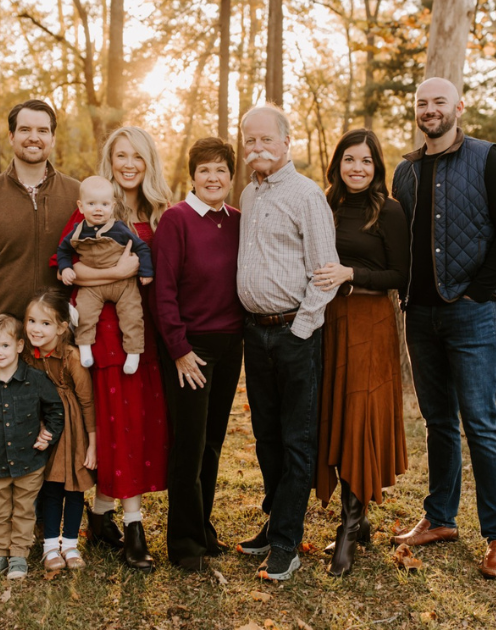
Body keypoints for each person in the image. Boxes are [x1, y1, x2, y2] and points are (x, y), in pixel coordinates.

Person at [389, 77, 496, 579]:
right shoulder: (405, 171)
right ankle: (441, 518)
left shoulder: (487, 158)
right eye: (422, 103)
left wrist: (479, 290)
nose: (430, 110)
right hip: (419, 315)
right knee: (438, 421)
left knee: (481, 422)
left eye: (439, 102)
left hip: (472, 314)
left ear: (458, 107)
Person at [234, 105, 339, 581]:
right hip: (254, 333)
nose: (256, 147)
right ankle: (274, 521)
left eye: (265, 139)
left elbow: (325, 272)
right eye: (249, 140)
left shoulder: (306, 195)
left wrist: (301, 330)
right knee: (266, 436)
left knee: (296, 439)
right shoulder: (248, 194)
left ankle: (286, 543)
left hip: (295, 332)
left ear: (286, 142)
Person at [62, 126, 172, 573]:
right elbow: (66, 266)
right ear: (110, 160)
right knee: (119, 426)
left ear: (149, 162)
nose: (129, 164)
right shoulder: (96, 208)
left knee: (134, 428)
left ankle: (101, 515)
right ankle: (134, 528)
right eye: (121, 155)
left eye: (137, 156)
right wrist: (121, 271)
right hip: (105, 336)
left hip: (146, 336)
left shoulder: (161, 211)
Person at [311, 129, 410, 577]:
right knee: (335, 413)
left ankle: (349, 527)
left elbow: (401, 274)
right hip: (329, 320)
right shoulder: (324, 206)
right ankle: (360, 518)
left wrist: (352, 273)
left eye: (366, 161)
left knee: (360, 415)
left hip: (370, 322)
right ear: (337, 164)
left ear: (377, 167)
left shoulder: (388, 210)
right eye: (350, 159)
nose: (357, 168)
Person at [152, 137, 245, 573]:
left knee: (212, 442)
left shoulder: (238, 221)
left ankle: (203, 527)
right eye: (204, 169)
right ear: (193, 176)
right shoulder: (176, 220)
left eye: (221, 169)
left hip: (231, 345)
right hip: (192, 348)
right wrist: (180, 349)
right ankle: (184, 542)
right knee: (189, 444)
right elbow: (163, 291)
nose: (213, 177)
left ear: (231, 176)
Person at [0, 99, 80, 391]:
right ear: (12, 136)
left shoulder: (78, 195)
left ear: (52, 138)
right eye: (25, 129)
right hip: (6, 344)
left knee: (66, 419)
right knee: (5, 420)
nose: (33, 137)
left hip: (63, 345)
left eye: (42, 130)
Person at [0, 314, 65, 580]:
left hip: (29, 462)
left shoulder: (35, 380)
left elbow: (56, 410)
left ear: (20, 346)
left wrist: (48, 435)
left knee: (23, 510)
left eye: (4, 345)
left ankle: (19, 555)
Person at [22, 289, 97, 572]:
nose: (36, 329)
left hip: (73, 430)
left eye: (45, 323)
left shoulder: (71, 357)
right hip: (43, 428)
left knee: (74, 489)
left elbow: (87, 401)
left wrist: (93, 444)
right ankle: (50, 547)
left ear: (62, 327)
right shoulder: (28, 356)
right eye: (31, 321)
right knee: (50, 488)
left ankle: (71, 545)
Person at [56, 176, 154, 374]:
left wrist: (146, 271)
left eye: (104, 204)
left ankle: (133, 353)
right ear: (81, 206)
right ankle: (85, 348)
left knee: (132, 315)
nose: (98, 209)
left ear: (112, 206)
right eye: (91, 204)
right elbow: (62, 251)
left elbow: (142, 247)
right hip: (92, 287)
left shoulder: (119, 229)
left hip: (124, 285)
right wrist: (65, 268)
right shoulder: (76, 232)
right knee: (84, 313)